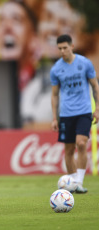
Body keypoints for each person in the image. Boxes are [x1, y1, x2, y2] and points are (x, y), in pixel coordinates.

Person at [50, 34, 99, 194]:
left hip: (84, 111)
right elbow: (55, 94)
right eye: (60, 49)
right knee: (69, 150)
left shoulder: (84, 63)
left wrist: (97, 108)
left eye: (65, 47)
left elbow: (95, 86)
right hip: (66, 114)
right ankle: (72, 183)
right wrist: (54, 118)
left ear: (72, 46)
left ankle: (79, 181)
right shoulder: (56, 69)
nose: (62, 51)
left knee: (82, 144)